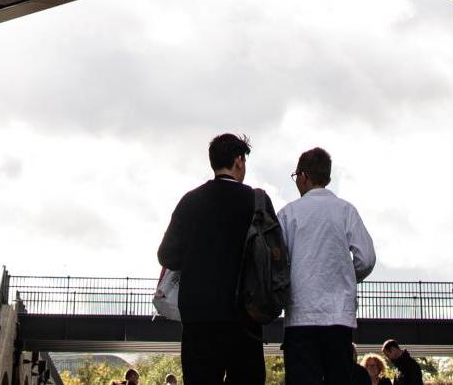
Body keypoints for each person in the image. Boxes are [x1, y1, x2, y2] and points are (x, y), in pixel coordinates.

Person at [158, 131, 266, 385]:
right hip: (245, 315)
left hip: (199, 316)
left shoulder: (191, 201)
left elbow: (167, 255)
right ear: (239, 161)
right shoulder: (256, 201)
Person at [278, 146, 376, 385]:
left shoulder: (288, 214)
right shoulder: (345, 211)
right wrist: (345, 276)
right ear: (327, 177)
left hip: (300, 316)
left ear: (303, 176)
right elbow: (367, 258)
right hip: (338, 317)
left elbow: (277, 262)